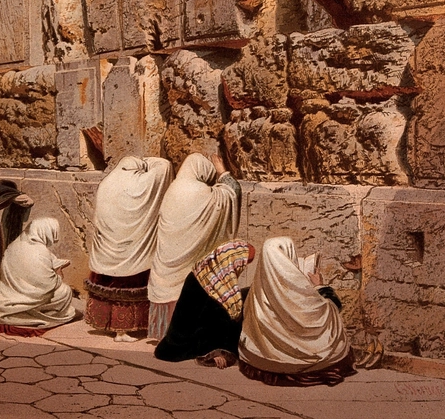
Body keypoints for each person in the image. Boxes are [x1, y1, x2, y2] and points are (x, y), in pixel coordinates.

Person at [238, 237, 355, 386]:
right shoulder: (303, 292)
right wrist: (320, 286)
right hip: (317, 363)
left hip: (263, 363)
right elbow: (332, 309)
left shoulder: (254, 295)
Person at [148, 152, 241, 340]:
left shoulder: (173, 188)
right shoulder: (201, 192)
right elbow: (232, 192)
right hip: (188, 265)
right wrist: (222, 172)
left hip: (166, 264)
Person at [86, 157, 172, 342]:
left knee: (109, 285)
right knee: (127, 287)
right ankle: (123, 332)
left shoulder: (107, 182)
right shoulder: (142, 184)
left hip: (107, 250)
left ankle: (112, 327)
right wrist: (147, 161)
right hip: (133, 254)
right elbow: (164, 167)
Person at [155, 240, 255, 366]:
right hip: (191, 344)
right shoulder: (213, 285)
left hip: (183, 341)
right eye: (243, 264)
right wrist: (216, 352)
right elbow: (209, 321)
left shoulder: (207, 271)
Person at [0, 218, 76, 336]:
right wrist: (59, 276)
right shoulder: (40, 251)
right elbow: (46, 285)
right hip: (19, 301)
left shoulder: (15, 244)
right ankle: (32, 314)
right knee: (65, 291)